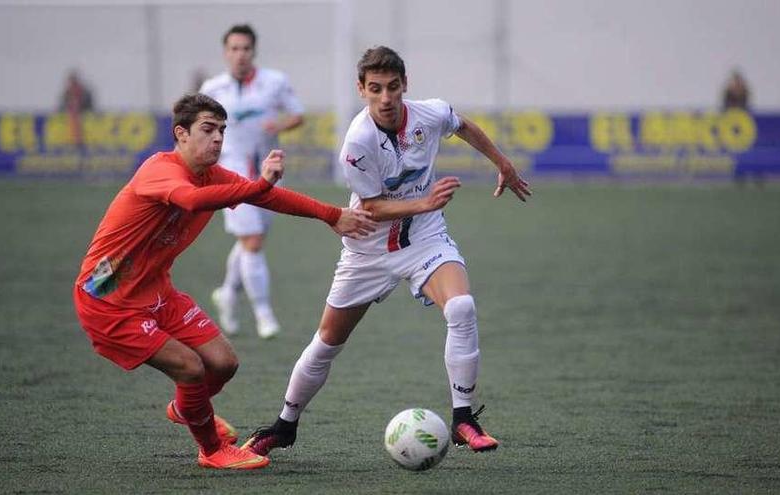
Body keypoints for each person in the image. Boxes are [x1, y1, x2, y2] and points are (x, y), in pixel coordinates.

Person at [242, 46, 531, 458]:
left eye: (393, 87)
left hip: (425, 240)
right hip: (368, 249)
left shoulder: (429, 113)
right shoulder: (357, 143)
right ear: (361, 90)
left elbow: (462, 124)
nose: (386, 97)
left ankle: (464, 418)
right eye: (375, 89)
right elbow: (373, 207)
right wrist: (425, 202)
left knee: (462, 308)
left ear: (404, 86)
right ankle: (285, 424)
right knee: (327, 342)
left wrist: (502, 162)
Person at [72, 93, 375, 470]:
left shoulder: (211, 176)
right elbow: (192, 200)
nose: (217, 138)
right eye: (207, 130)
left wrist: (332, 214)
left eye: (222, 130)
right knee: (190, 367)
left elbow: (269, 199)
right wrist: (259, 186)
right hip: (106, 299)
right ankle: (212, 450)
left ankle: (186, 407)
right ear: (181, 134)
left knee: (223, 363)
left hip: (155, 290)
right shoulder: (159, 170)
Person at [200, 24, 305, 339]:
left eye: (245, 48)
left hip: (269, 171)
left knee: (249, 241)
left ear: (254, 51)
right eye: (234, 48)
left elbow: (297, 114)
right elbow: (199, 129)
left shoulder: (274, 82)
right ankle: (264, 314)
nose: (240, 54)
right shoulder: (213, 88)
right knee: (253, 241)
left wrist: (281, 123)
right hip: (230, 174)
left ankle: (228, 294)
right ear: (225, 52)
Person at [58, 70, 94, 146]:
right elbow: (63, 104)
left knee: (78, 125)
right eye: (71, 80)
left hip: (82, 114)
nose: (72, 82)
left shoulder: (83, 90)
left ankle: (78, 141)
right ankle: (76, 141)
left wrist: (81, 107)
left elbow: (88, 103)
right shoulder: (68, 92)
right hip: (73, 115)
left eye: (73, 80)